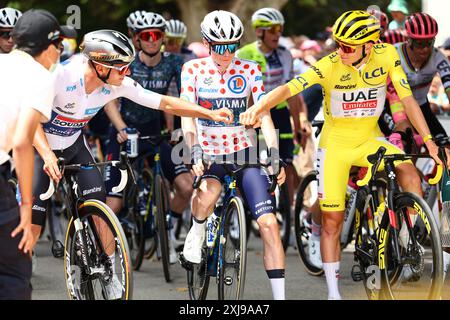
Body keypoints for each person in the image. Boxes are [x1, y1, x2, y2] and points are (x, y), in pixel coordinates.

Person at [240, 10, 446, 299]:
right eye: (338, 43)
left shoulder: (386, 55)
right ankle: (334, 292)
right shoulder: (331, 64)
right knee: (332, 222)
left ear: (368, 45)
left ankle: (405, 235)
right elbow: (289, 88)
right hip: (335, 146)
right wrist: (259, 107)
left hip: (370, 139)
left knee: (408, 171)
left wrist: (429, 141)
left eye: (347, 46)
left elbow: (408, 99)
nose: (341, 50)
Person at [29, 29, 232, 299]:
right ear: (100, 65)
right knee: (33, 219)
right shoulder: (61, 76)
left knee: (100, 208)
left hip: (74, 145)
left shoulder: (117, 82)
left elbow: (165, 103)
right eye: (122, 66)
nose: (127, 72)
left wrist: (208, 112)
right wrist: (47, 155)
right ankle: (20, 269)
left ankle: (112, 271)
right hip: (37, 146)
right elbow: (30, 122)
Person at [180, 10, 287, 300]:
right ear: (206, 42)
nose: (226, 53)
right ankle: (198, 229)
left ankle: (280, 297)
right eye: (219, 46)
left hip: (243, 153)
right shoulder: (192, 70)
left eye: (232, 46)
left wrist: (275, 155)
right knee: (208, 194)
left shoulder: (250, 69)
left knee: (269, 224)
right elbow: (187, 115)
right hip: (210, 152)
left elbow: (264, 115)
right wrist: (193, 152)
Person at [103, 12, 194, 264]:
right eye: (146, 35)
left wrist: (179, 127)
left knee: (186, 187)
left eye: (157, 35)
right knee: (114, 201)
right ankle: (107, 256)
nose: (153, 40)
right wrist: (122, 129)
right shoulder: (125, 62)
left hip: (155, 131)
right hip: (124, 131)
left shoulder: (174, 63)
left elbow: (182, 99)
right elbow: (109, 101)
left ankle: (170, 229)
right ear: (136, 38)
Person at [0, 8, 65, 299]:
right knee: (14, 270)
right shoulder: (39, 76)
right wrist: (26, 207)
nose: (60, 53)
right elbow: (22, 142)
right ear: (49, 47)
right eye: (60, 46)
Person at [237, 7, 309, 207]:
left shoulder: (285, 55)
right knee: (249, 162)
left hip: (278, 111)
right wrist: (250, 123)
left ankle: (289, 207)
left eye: (280, 29)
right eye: (274, 29)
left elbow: (291, 92)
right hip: (251, 111)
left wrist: (298, 124)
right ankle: (244, 206)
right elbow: (244, 92)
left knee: (286, 160)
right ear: (260, 31)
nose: (278, 33)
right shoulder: (245, 53)